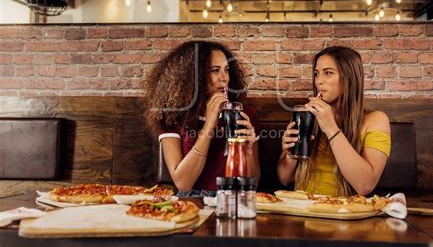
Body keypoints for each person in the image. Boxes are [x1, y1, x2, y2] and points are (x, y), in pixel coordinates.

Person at [144, 41, 260, 197]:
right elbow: (183, 183)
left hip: (233, 198)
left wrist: (247, 152)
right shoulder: (172, 117)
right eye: (215, 70)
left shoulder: (244, 115)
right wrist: (209, 124)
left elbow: (253, 182)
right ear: (193, 76)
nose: (224, 78)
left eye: (226, 70)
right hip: (192, 200)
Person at [277, 46, 391, 196]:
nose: (318, 81)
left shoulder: (376, 120)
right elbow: (284, 179)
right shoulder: (306, 116)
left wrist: (330, 128)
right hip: (302, 208)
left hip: (344, 211)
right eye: (316, 74)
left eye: (328, 73)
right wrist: (290, 155)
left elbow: (365, 185)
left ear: (349, 79)